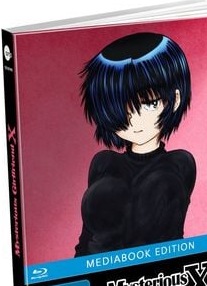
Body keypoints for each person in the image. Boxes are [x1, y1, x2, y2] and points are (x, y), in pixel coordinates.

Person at [74, 32, 196, 257]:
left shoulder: (180, 164)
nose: (133, 121)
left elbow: (173, 239)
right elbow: (85, 240)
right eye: (120, 108)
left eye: (149, 104)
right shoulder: (103, 163)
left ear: (175, 99)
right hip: (96, 270)